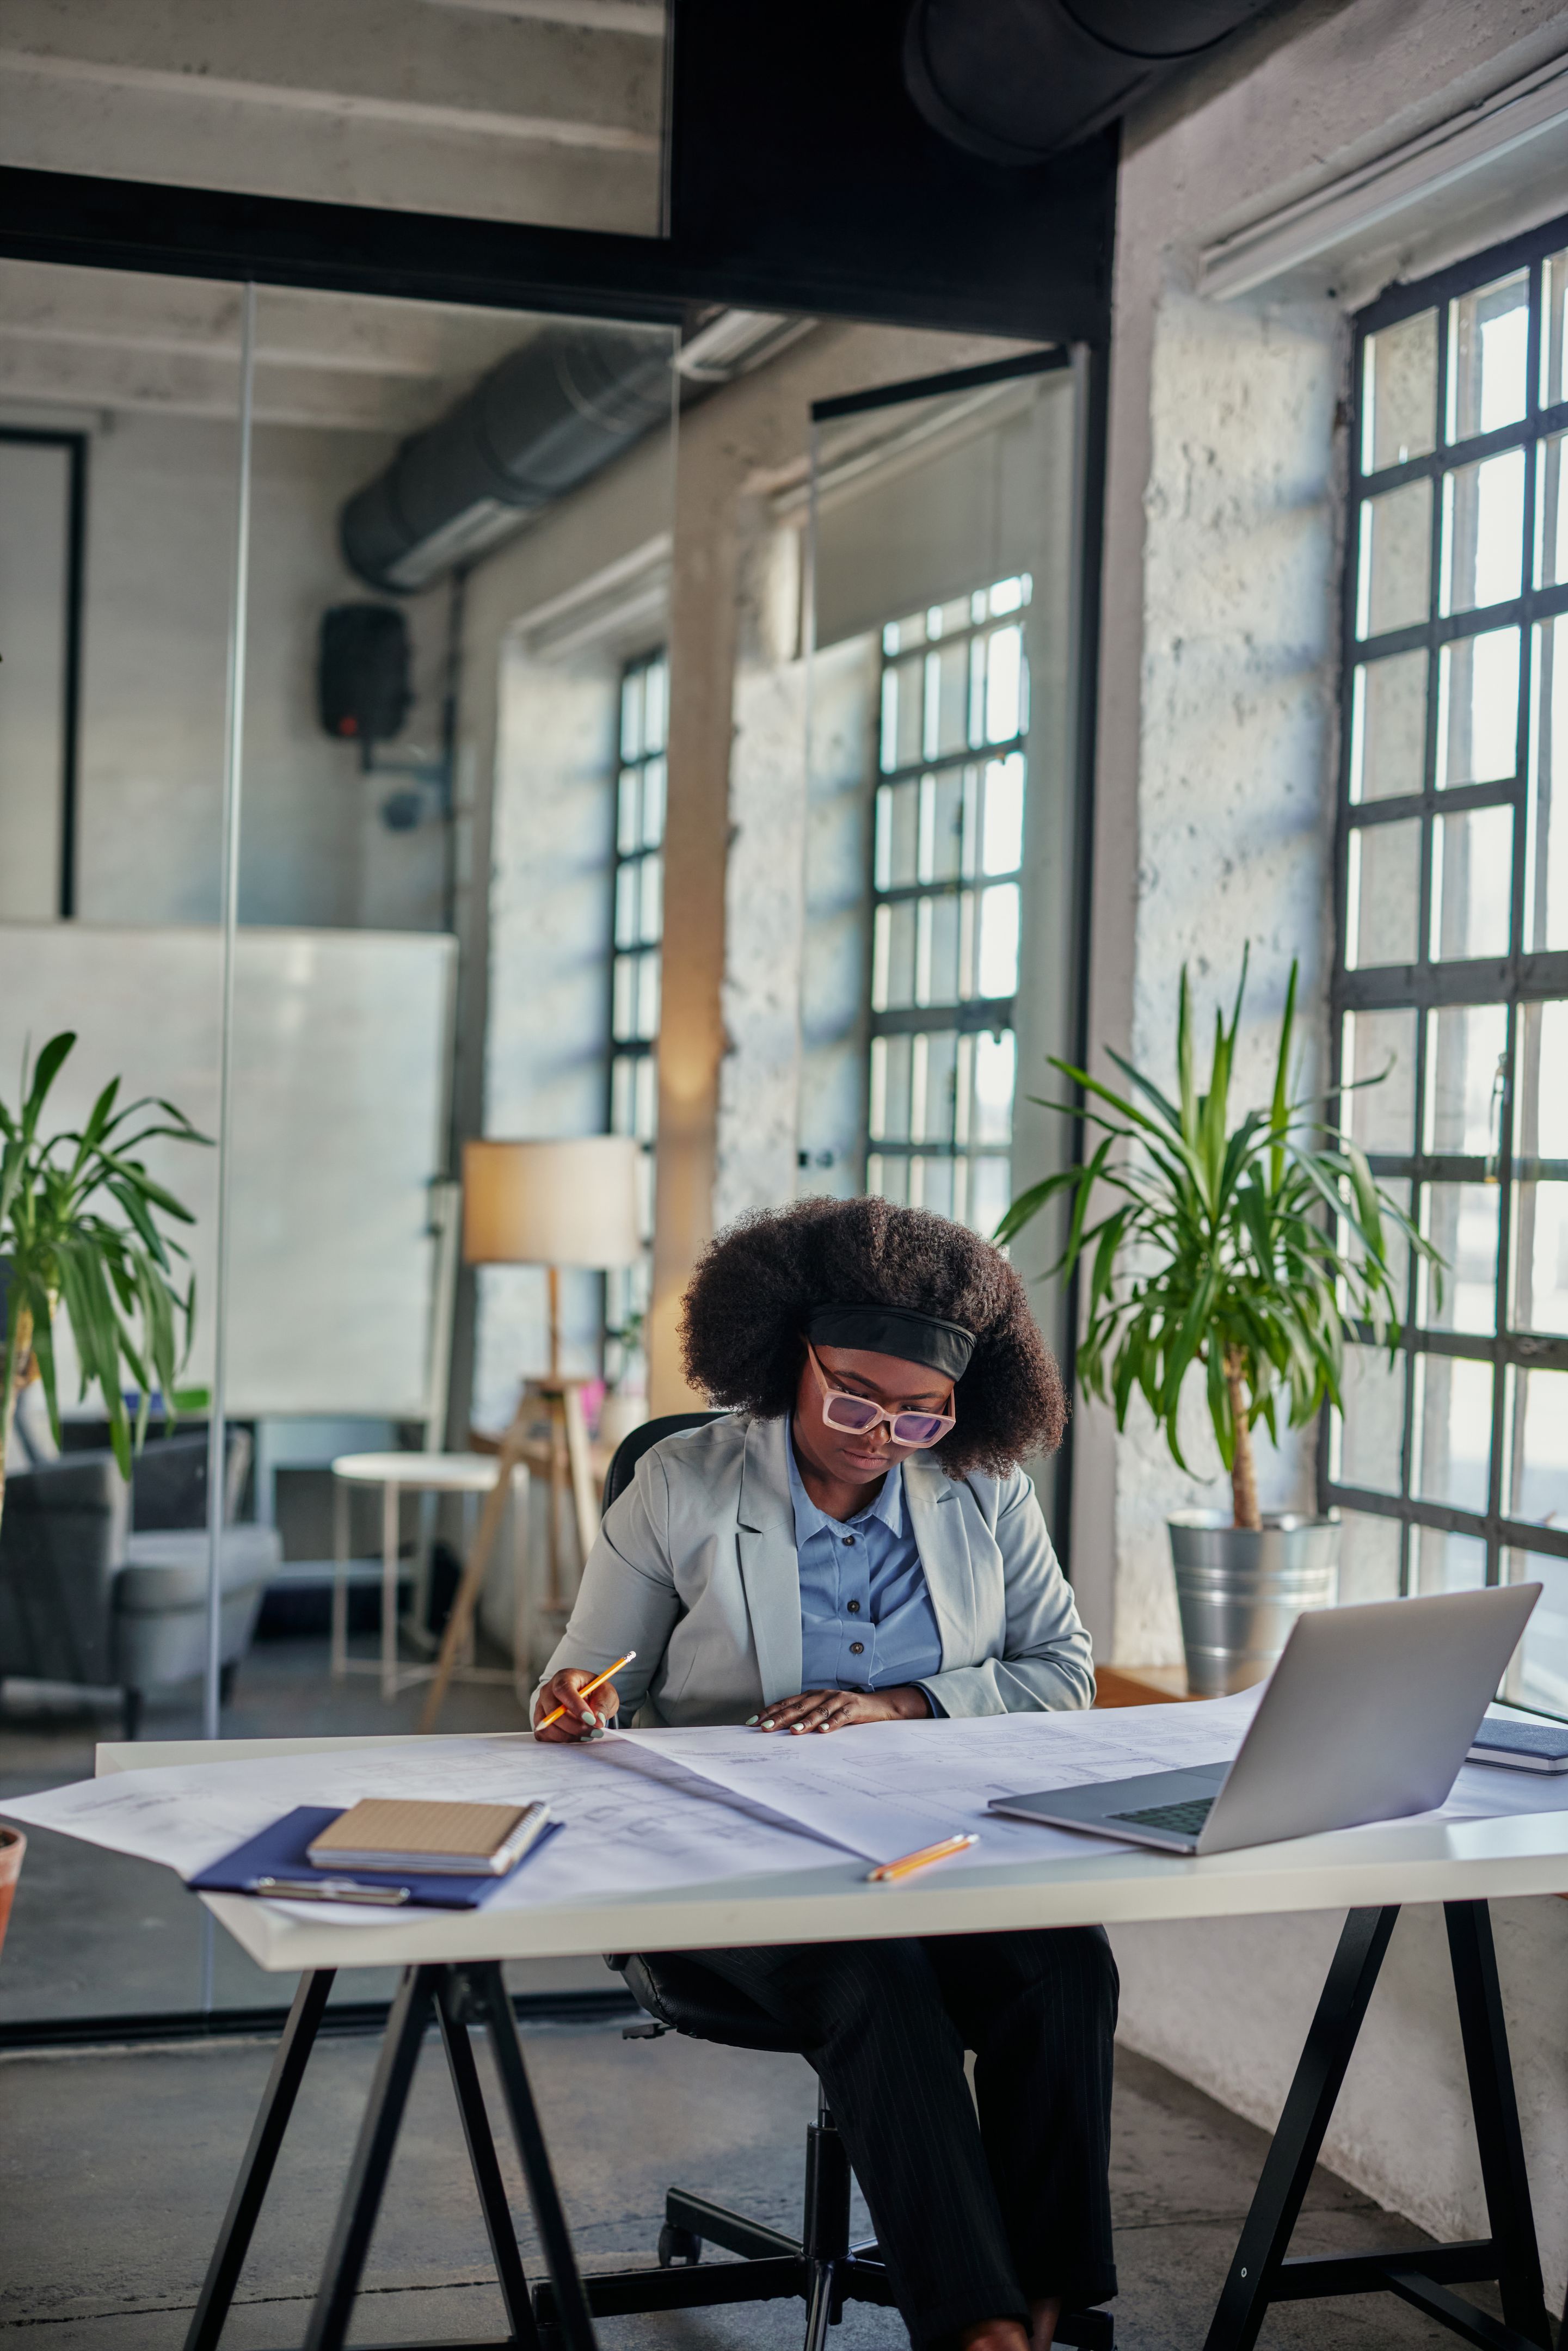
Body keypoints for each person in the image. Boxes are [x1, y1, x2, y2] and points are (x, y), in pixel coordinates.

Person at [533, 1196, 1116, 2351]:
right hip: (731, 1857)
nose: (877, 1431)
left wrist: (902, 1704)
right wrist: (577, 1707)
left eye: (918, 1413)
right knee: (872, 1980)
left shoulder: (982, 1489)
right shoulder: (683, 1489)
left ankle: (1050, 2301)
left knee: (1066, 1968)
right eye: (853, 1396)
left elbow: (1064, 1670)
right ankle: (976, 2329)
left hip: (939, 1849)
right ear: (787, 1359)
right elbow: (586, 1687)